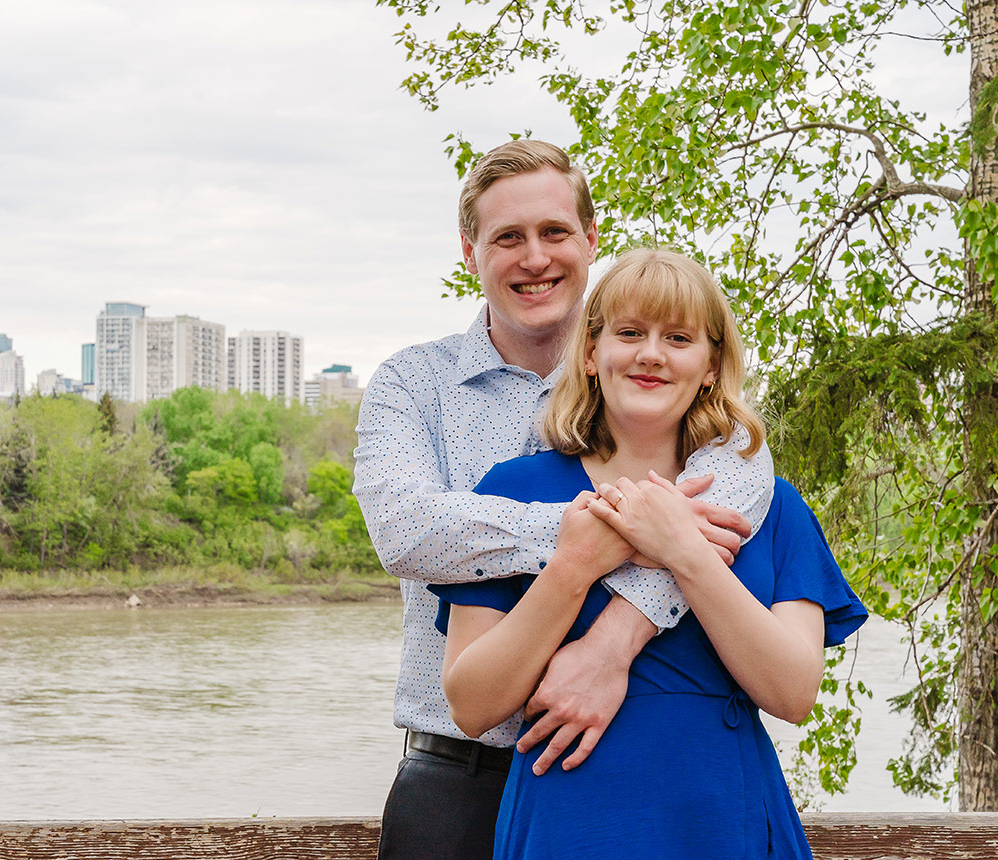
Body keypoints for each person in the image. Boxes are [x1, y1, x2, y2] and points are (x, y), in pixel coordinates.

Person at [353, 140, 776, 860]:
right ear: (469, 252)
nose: (535, 257)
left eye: (553, 232)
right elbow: (406, 531)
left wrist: (613, 644)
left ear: (590, 239)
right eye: (506, 238)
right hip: (457, 773)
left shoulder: (653, 382)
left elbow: (738, 475)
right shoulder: (410, 383)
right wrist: (614, 530)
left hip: (616, 776)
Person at [431, 248, 868, 860]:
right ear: (590, 353)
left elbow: (794, 694)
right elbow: (473, 705)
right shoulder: (514, 491)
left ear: (712, 364)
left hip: (725, 823)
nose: (651, 354)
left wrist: (684, 553)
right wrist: (572, 568)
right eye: (629, 332)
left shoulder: (771, 507)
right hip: (567, 828)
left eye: (679, 337)